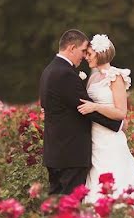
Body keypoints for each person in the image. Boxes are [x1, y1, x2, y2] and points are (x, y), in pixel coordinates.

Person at [39, 30, 122, 196]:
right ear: (71, 48)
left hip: (56, 151)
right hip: (70, 153)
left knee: (57, 206)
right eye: (84, 51)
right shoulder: (65, 74)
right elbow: (84, 106)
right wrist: (116, 123)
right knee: (70, 205)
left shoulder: (49, 70)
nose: (84, 56)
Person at [77, 34, 134, 216]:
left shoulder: (116, 76)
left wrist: (95, 106)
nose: (86, 57)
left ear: (100, 54)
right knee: (95, 180)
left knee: (116, 178)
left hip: (110, 139)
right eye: (86, 54)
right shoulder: (92, 78)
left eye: (90, 54)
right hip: (94, 137)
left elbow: (121, 112)